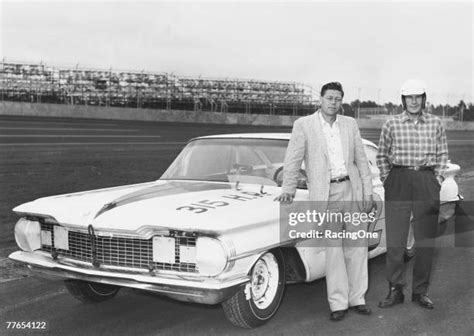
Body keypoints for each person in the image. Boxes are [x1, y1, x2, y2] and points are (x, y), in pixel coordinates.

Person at [275, 82, 374, 321]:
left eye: (338, 99)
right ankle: (338, 303)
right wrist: (288, 188)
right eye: (329, 98)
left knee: (357, 247)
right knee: (334, 251)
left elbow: (361, 161)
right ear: (320, 99)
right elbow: (293, 159)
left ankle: (357, 298)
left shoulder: (350, 124)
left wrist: (367, 192)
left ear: (342, 102)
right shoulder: (304, 125)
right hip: (325, 194)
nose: (334, 102)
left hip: (351, 190)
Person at [376, 79, 448, 309]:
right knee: (396, 242)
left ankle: (420, 292)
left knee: (425, 241)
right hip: (399, 179)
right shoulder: (392, 123)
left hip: (426, 180)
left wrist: (435, 181)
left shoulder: (436, 123)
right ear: (403, 100)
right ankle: (395, 290)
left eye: (418, 96)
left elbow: (442, 155)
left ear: (424, 99)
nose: (414, 101)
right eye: (409, 97)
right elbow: (381, 155)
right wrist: (389, 179)